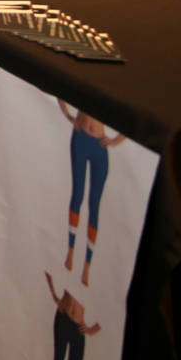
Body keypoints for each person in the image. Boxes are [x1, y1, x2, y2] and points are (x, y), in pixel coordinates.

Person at [58, 101, 125, 285]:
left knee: (94, 205)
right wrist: (67, 114)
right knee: (77, 194)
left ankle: (87, 264)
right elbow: (61, 91)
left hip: (99, 145)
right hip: (80, 138)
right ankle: (71, 250)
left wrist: (114, 141)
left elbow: (132, 122)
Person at [45, 272, 101, 360]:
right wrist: (54, 296)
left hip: (78, 330)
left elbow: (112, 307)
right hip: (63, 319)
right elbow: (49, 271)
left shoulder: (96, 271)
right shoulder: (72, 261)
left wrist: (92, 329)